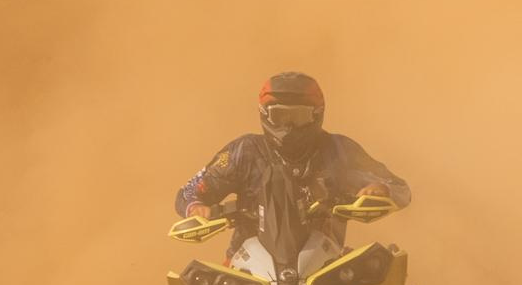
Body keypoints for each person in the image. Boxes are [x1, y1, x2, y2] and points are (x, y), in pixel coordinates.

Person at [174, 72, 411, 257]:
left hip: (327, 261)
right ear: (264, 114)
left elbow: (398, 186)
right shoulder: (243, 151)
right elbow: (189, 191)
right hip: (246, 264)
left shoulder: (339, 150)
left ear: (317, 114)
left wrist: (380, 190)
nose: (289, 127)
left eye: (298, 117)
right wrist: (196, 208)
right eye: (280, 116)